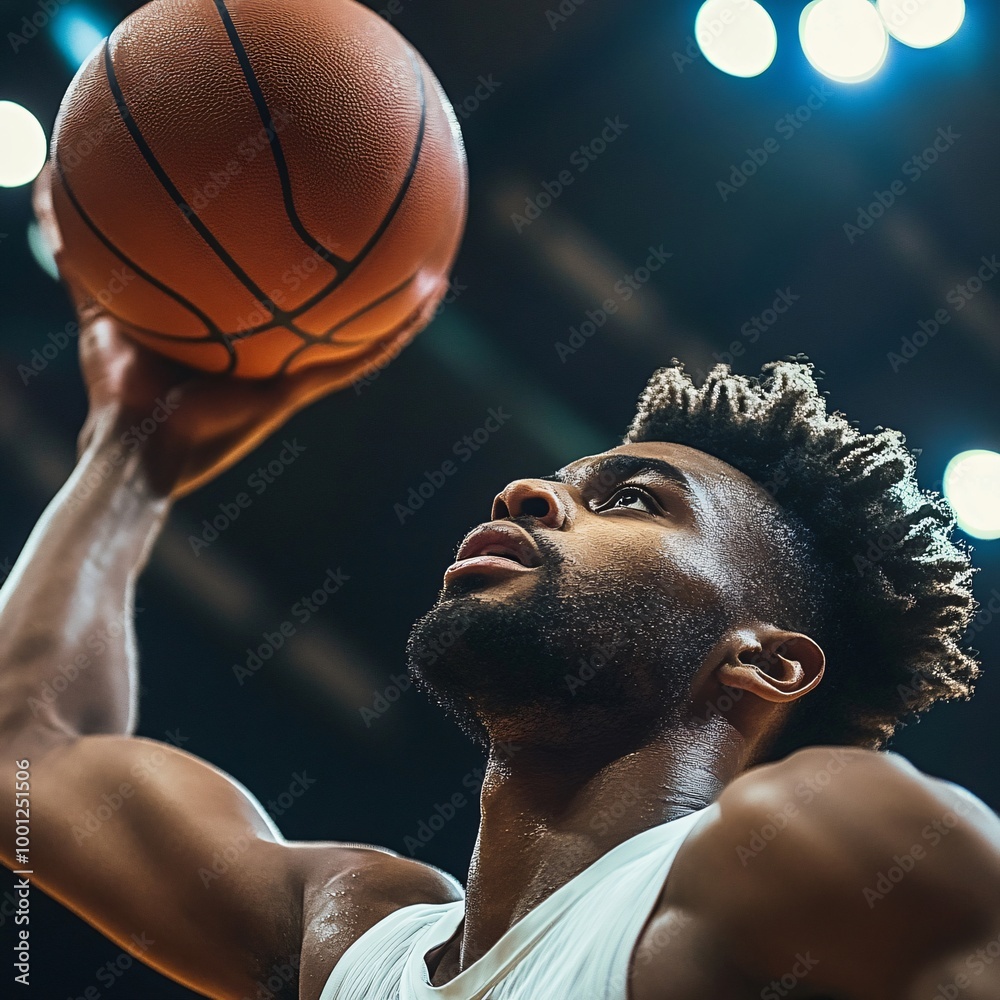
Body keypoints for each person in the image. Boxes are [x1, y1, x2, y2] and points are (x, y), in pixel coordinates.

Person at [1, 174, 999, 1000]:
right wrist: (132, 451)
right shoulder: (348, 937)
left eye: (634, 501)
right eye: (553, 483)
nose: (526, 489)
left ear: (762, 658)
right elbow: (27, 753)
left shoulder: (813, 847)